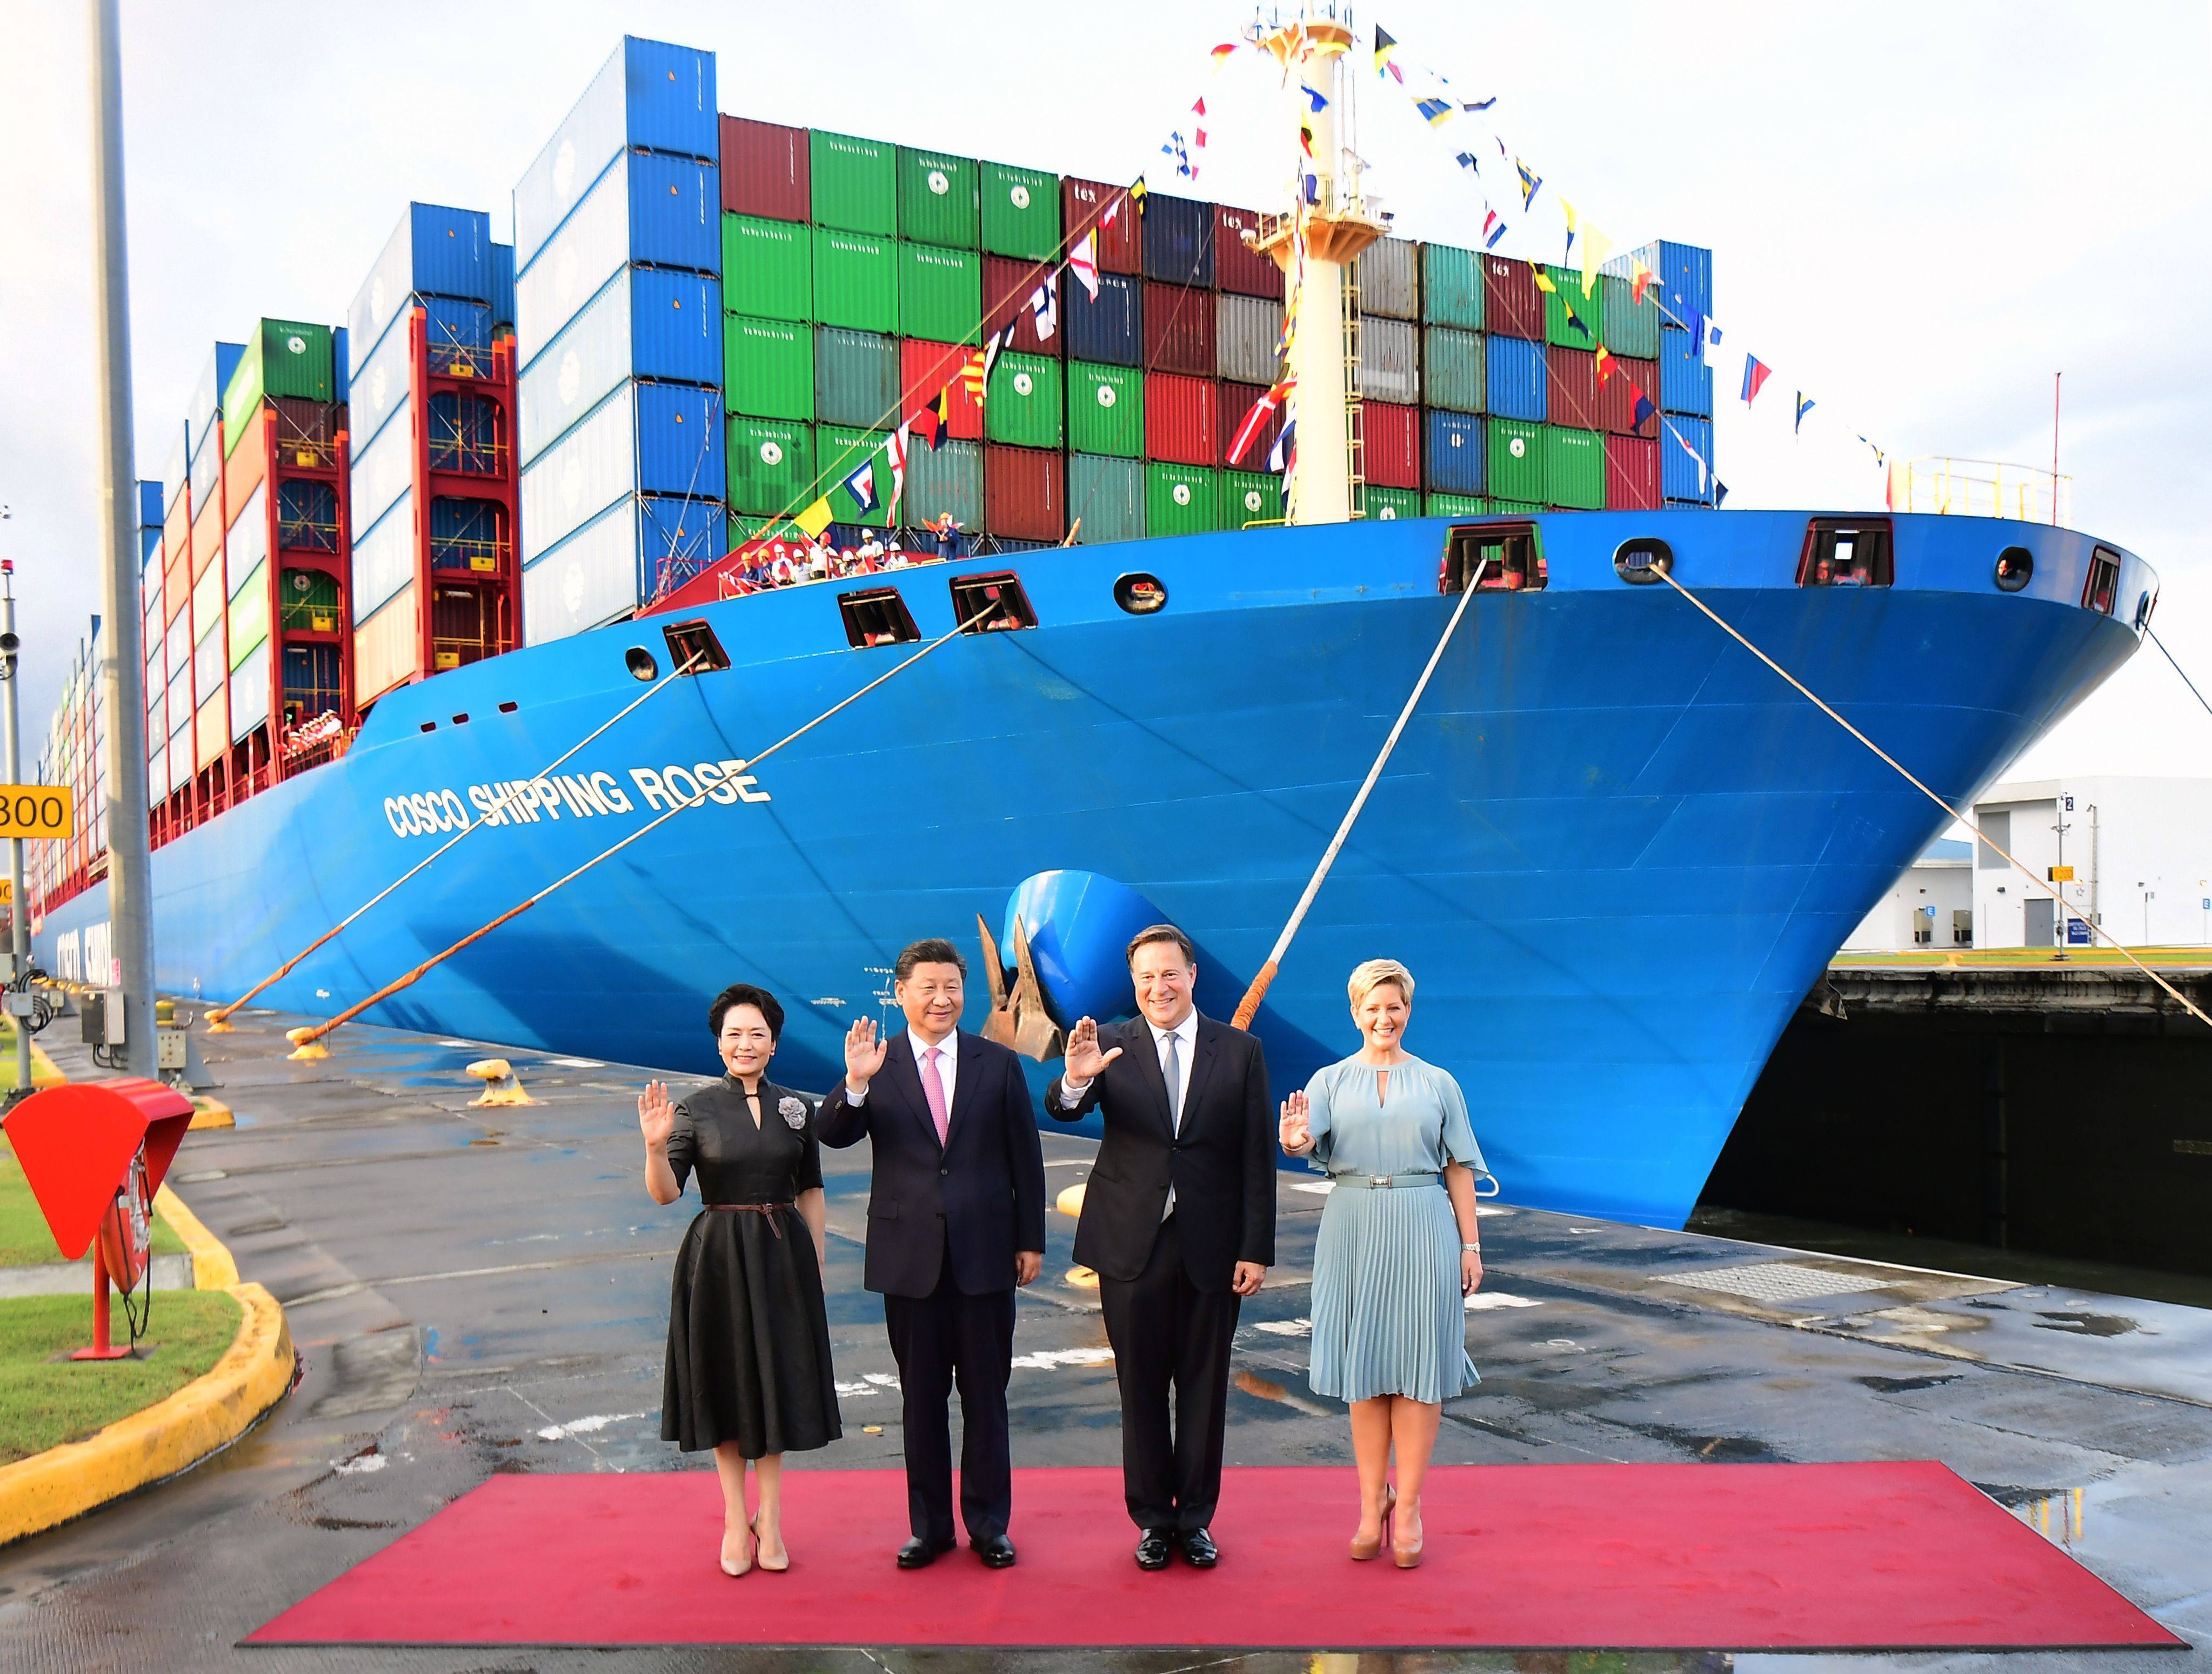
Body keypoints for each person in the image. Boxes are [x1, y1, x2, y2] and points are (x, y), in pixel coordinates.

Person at [1047, 925, 1274, 1571]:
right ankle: (1152, 1519)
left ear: (1192, 975)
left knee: (1204, 1388)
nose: (1157, 988)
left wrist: (1255, 1247)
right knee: (1139, 1385)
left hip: (1211, 1241)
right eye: (1145, 977)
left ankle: (1195, 1520)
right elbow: (1064, 1110)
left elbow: (1256, 1157)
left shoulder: (1240, 1051)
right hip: (1129, 1241)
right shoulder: (1110, 1044)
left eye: (1168, 974)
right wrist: (1072, 1080)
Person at [818, 938, 1047, 1570]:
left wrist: (1030, 1239)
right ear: (902, 994)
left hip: (985, 1254)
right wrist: (855, 1083)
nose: (942, 998)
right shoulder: (877, 1062)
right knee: (919, 1400)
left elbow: (1025, 1160)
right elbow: (832, 1133)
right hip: (909, 1256)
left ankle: (988, 1525)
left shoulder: (996, 1064)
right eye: (928, 987)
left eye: (952, 986)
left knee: (986, 1397)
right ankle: (930, 1528)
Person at [1278, 959, 1487, 1571]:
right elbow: (1302, 1141)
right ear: (1354, 1012)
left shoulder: (1438, 1082)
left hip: (1424, 1221)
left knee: (1420, 1366)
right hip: (1351, 1223)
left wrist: (1470, 1246)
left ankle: (1413, 1505)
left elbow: (1459, 1168)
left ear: (1408, 1010)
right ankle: (1373, 1504)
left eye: (1393, 1007)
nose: (1383, 1018)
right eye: (1371, 1007)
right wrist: (1292, 1139)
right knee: (1364, 1366)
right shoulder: (1328, 1080)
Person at [640, 984, 839, 1578]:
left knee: (776, 1386)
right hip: (719, 1258)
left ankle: (771, 1518)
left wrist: (817, 1267)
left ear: (774, 1044)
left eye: (756, 1034)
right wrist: (654, 1149)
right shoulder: (694, 1110)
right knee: (727, 1387)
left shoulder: (796, 1108)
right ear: (719, 1043)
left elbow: (811, 1190)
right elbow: (665, 1193)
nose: (744, 1043)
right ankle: (734, 1519)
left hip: (783, 1259)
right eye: (733, 1034)